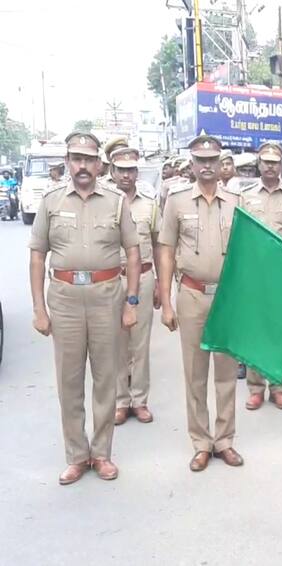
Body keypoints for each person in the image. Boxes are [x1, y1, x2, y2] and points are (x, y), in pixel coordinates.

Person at [28, 132, 140, 485]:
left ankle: (102, 453)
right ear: (67, 161)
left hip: (107, 295)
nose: (82, 165)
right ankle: (77, 455)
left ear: (98, 164)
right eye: (76, 158)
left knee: (107, 377)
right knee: (69, 379)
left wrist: (131, 301)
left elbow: (133, 252)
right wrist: (38, 308)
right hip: (64, 299)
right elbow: (37, 255)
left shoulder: (116, 202)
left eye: (88, 159)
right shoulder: (50, 202)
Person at [158, 134, 244, 472]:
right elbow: (165, 251)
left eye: (212, 160)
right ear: (192, 164)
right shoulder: (176, 201)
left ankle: (224, 440)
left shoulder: (237, 200)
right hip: (191, 294)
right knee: (195, 373)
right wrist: (166, 301)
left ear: (220, 164)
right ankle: (201, 442)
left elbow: (246, 253)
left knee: (225, 373)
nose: (206, 166)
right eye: (200, 160)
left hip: (225, 297)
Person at [239, 141, 282, 410]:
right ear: (258, 163)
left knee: (279, 332)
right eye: (265, 161)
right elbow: (239, 235)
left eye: (274, 162)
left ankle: (278, 386)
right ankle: (255, 388)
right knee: (254, 330)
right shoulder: (246, 195)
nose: (269, 166)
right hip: (254, 274)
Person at [109, 147, 161, 426]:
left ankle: (139, 401)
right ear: (112, 172)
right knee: (118, 343)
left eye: (131, 170)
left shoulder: (150, 205)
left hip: (142, 276)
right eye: (121, 170)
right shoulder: (105, 202)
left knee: (140, 344)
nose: (126, 175)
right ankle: (121, 401)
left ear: (136, 173)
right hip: (112, 279)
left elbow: (157, 244)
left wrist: (160, 286)